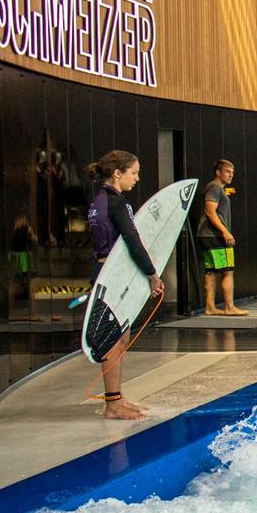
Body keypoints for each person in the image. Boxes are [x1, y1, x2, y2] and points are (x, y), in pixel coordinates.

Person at [85, 151, 164, 420]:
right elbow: (132, 240)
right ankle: (112, 405)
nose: (137, 178)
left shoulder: (100, 200)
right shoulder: (116, 202)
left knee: (120, 336)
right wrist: (152, 273)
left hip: (105, 270)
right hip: (112, 274)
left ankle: (116, 398)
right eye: (134, 172)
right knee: (111, 340)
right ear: (117, 173)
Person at [196, 158, 245, 317]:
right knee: (228, 271)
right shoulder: (215, 188)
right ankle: (229, 307)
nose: (230, 175)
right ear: (218, 172)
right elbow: (210, 211)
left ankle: (210, 307)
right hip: (214, 235)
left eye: (232, 172)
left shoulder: (217, 189)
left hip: (207, 235)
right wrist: (225, 231)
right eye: (227, 171)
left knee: (211, 271)